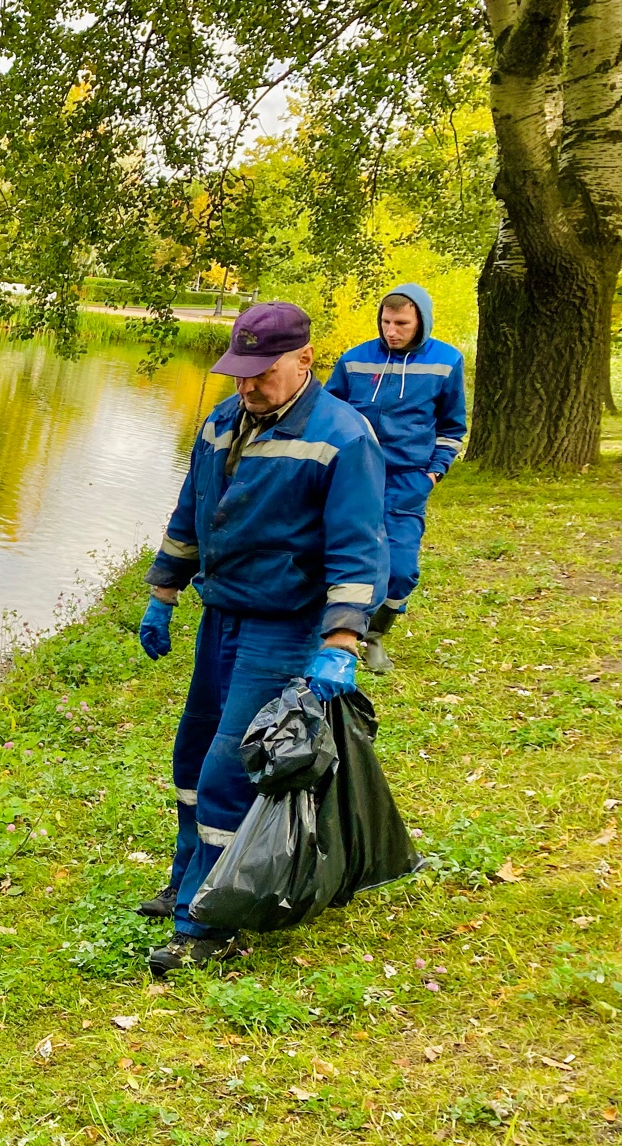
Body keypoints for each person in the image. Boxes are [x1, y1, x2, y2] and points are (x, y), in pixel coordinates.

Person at [134, 302, 387, 975]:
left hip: (284, 627)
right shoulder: (223, 422)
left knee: (230, 770)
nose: (247, 386)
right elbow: (189, 513)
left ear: (305, 360)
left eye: (261, 373)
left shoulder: (343, 438)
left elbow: (359, 552)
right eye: (239, 373)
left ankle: (211, 923)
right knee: (192, 757)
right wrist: (163, 596)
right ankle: (185, 880)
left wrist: (340, 642)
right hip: (222, 617)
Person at [325, 283, 468, 672]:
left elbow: (453, 428)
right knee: (340, 556)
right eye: (386, 322)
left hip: (408, 480)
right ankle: (331, 635)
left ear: (420, 320)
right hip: (355, 476)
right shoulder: (354, 361)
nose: (392, 330)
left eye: (401, 323)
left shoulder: (446, 361)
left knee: (401, 569)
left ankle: (374, 636)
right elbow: (325, 415)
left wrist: (434, 473)